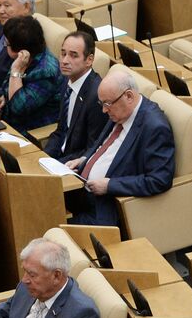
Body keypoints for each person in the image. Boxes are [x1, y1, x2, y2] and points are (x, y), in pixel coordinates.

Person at [68, 70, 176, 226]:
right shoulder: (120, 110)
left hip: (105, 206)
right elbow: (102, 143)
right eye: (102, 103)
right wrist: (85, 160)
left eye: (107, 104)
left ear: (129, 96)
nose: (104, 110)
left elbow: (159, 180)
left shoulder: (155, 127)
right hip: (80, 189)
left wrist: (110, 185)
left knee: (55, 225)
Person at [0, 15, 62, 135]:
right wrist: (2, 100)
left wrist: (16, 70)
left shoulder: (45, 72)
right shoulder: (26, 59)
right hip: (11, 125)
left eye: (7, 43)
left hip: (31, 134)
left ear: (21, 51)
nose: (5, 46)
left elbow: (18, 108)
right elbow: (6, 88)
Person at [45, 29, 105, 162]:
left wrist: (58, 164)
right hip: (60, 156)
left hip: (75, 165)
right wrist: (44, 157)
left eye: (73, 55)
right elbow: (61, 131)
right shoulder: (67, 80)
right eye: (63, 53)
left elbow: (93, 149)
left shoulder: (97, 96)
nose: (65, 60)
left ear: (89, 60)